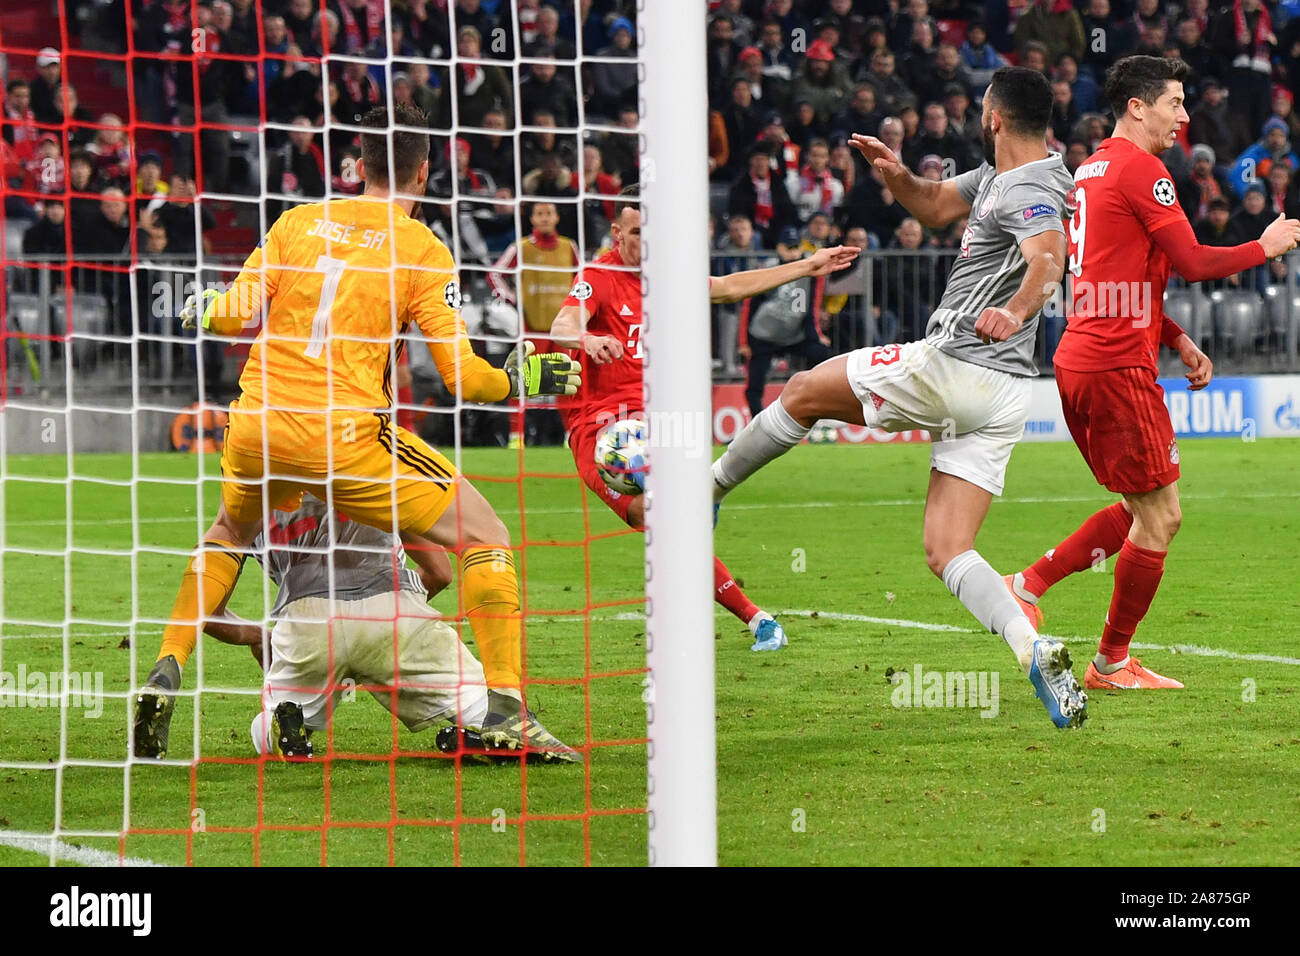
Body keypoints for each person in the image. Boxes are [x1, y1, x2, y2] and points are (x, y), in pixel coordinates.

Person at [132, 104, 583, 763]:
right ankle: (508, 710)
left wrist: (199, 305)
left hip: (258, 424)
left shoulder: (296, 222)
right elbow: (461, 378)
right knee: (487, 536)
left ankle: (167, 662)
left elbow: (232, 315)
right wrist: (521, 377)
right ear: (425, 171)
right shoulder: (424, 251)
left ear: (360, 165)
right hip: (343, 433)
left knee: (228, 534)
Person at [712, 68, 1087, 729]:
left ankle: (705, 493)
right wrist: (895, 174)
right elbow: (937, 204)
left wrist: (1018, 307)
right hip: (1005, 394)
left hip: (957, 366)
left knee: (800, 390)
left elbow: (1047, 258)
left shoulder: (1028, 184)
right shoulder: (1011, 173)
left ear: (993, 116)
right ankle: (1034, 649)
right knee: (948, 548)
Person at [1007, 56, 1300, 691]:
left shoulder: (1090, 170)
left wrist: (1176, 335)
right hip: (1115, 365)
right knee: (1162, 516)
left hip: (1082, 358)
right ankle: (1110, 661)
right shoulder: (1145, 170)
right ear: (1138, 107)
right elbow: (1192, 261)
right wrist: (1264, 247)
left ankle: (1028, 585)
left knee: (1140, 505)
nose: (1185, 115)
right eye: (1174, 102)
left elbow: (1107, 278)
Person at [549, 187, 860, 652]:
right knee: (665, 518)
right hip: (602, 429)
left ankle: (756, 618)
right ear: (617, 233)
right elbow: (562, 325)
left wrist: (809, 265)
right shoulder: (598, 274)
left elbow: (731, 286)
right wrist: (586, 341)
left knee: (669, 521)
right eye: (637, 232)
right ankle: (741, 596)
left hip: (656, 419)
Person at [201, 493, 487, 759]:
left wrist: (260, 636)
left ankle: (284, 722)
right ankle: (496, 736)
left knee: (268, 727)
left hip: (307, 623)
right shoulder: (372, 474)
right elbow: (440, 573)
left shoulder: (247, 500)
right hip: (392, 607)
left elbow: (206, 610)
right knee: (489, 710)